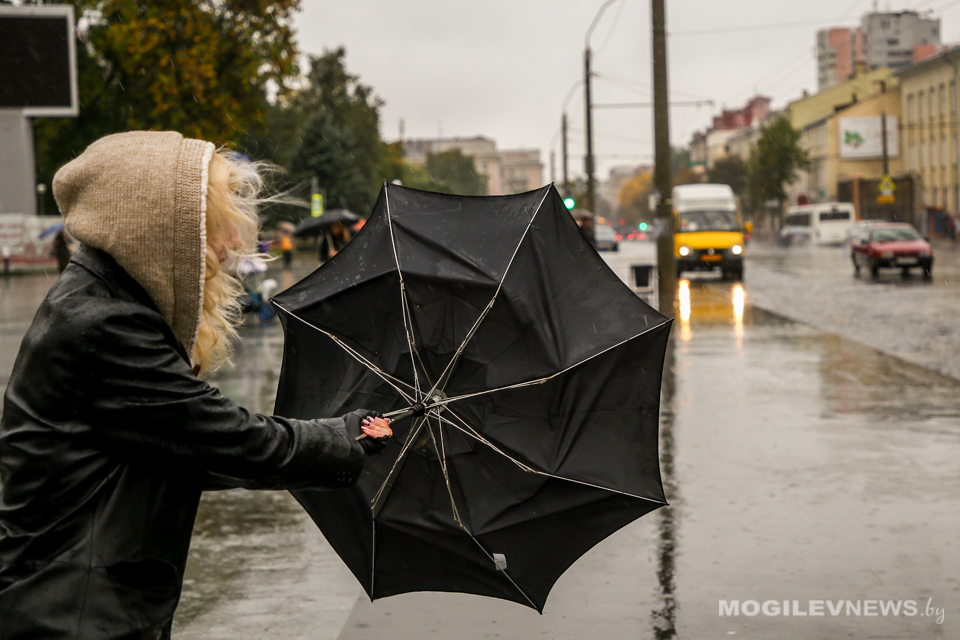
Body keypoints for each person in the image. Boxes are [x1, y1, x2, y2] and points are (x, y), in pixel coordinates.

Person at [0, 131, 393, 639]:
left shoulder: (101, 301)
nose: (233, 245)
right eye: (214, 225)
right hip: (71, 616)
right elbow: (225, 439)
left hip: (76, 606)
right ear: (156, 226)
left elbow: (188, 447)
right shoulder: (103, 323)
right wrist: (344, 436)